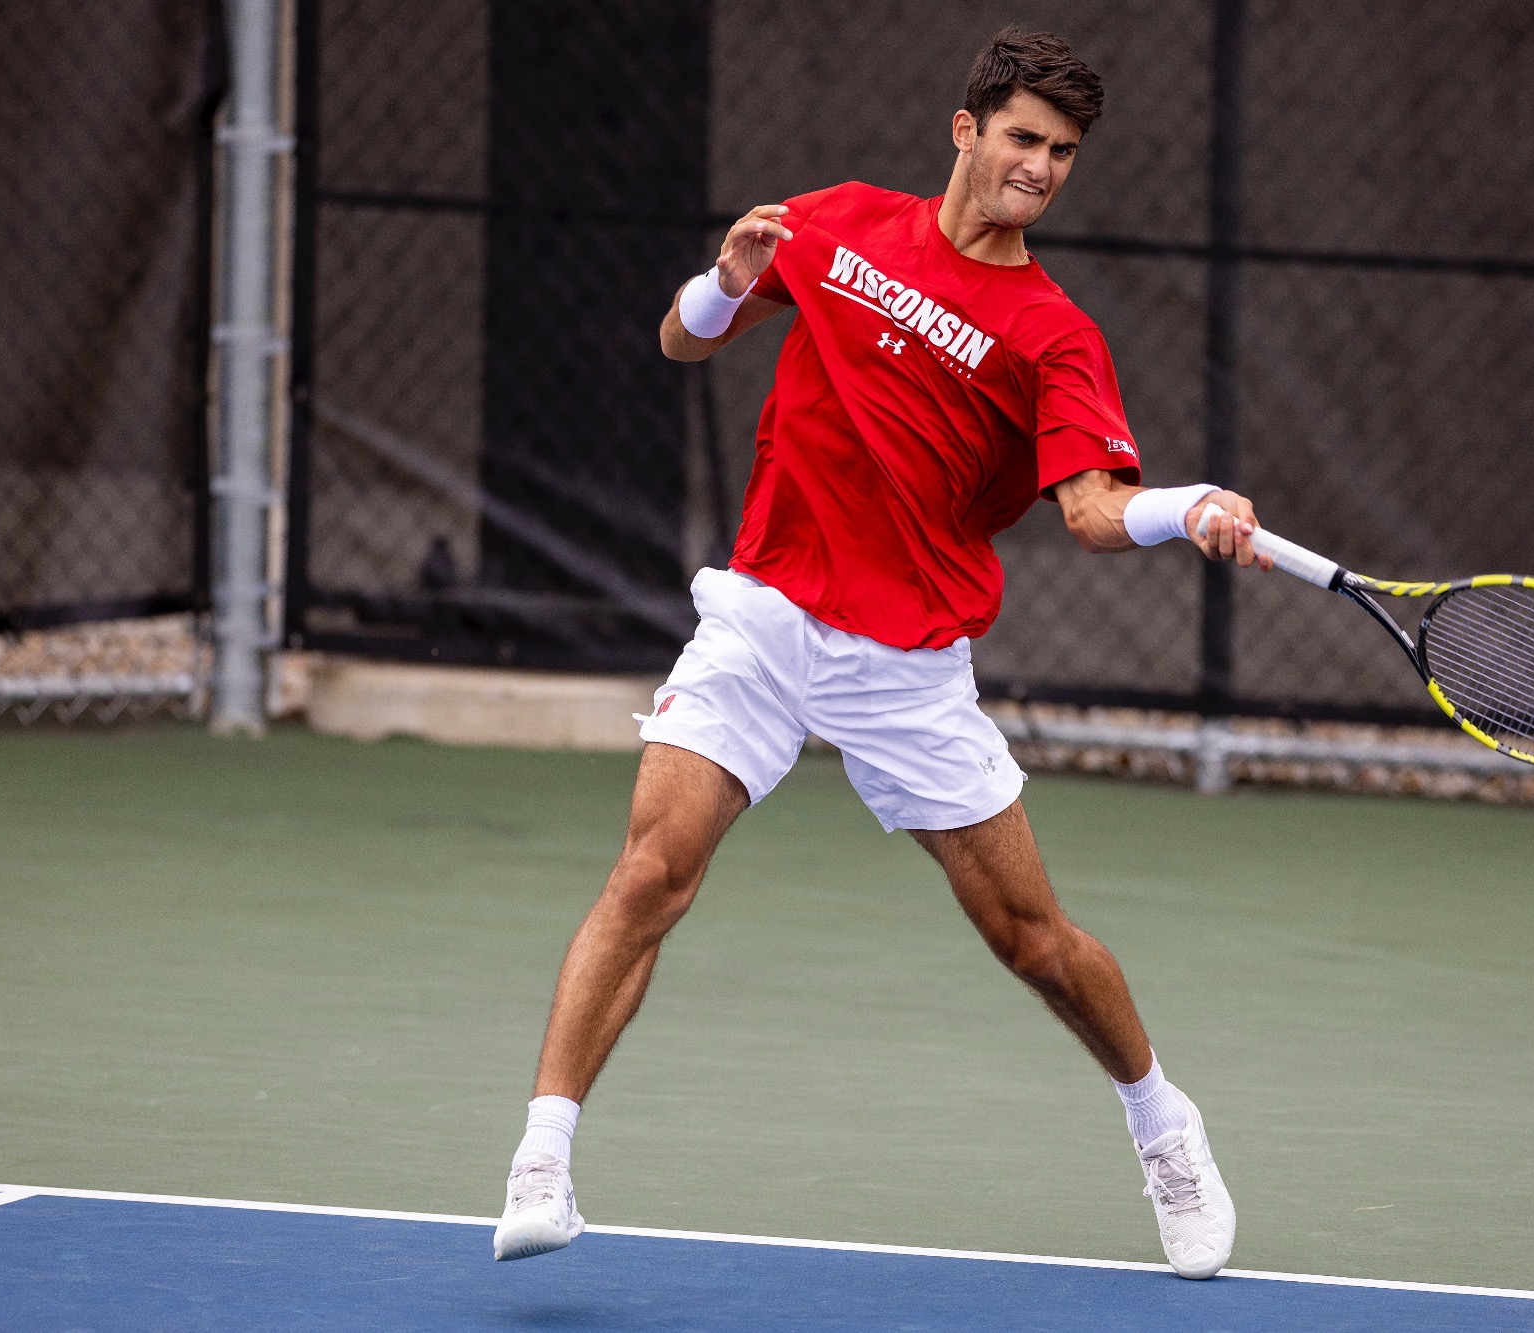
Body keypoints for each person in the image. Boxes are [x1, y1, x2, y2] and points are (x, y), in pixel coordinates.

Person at [493, 26, 1266, 1281]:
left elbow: (1086, 510)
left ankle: (1160, 1121)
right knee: (650, 872)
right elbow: (680, 342)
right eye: (1021, 138)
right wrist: (730, 275)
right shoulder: (840, 222)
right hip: (763, 613)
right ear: (964, 130)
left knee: (1031, 941)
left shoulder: (1052, 333)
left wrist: (1189, 508)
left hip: (906, 658)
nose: (1039, 168)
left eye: (1062, 153)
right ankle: (541, 1159)